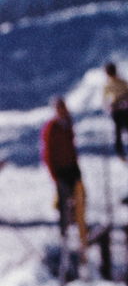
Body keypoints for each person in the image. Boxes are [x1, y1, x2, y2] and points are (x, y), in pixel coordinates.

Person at [41, 96, 85, 239]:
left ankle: (80, 225)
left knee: (79, 196)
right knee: (63, 199)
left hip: (71, 167)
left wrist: (76, 165)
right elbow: (47, 152)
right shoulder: (51, 127)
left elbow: (71, 147)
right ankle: (63, 231)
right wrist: (53, 172)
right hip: (60, 169)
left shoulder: (68, 124)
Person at [102, 64, 128, 161]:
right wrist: (108, 106)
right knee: (118, 131)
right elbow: (105, 98)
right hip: (116, 109)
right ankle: (120, 151)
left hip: (125, 108)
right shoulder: (108, 84)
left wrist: (125, 100)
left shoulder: (121, 82)